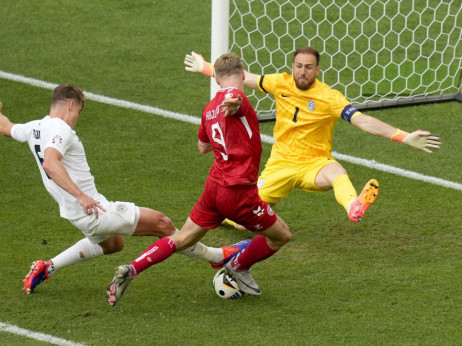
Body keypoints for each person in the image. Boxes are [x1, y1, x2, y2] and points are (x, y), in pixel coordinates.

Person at [0, 84, 250, 295]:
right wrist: (82, 196)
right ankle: (218, 256)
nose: (77, 118)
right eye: (78, 112)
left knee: (114, 244)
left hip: (74, 213)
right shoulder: (61, 129)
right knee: (162, 223)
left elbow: (7, 127)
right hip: (93, 209)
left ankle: (47, 267)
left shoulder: (35, 127)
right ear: (70, 105)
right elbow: (50, 162)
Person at [106, 53, 292, 306]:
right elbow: (234, 97)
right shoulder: (240, 101)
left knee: (182, 238)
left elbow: (202, 147)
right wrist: (234, 102)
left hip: (213, 189)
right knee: (281, 235)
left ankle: (132, 268)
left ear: (216, 79)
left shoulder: (208, 110)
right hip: (239, 192)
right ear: (243, 74)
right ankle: (238, 266)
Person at [184, 47, 442, 226]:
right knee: (243, 222)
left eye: (308, 67)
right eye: (298, 66)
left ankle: (354, 207)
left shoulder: (330, 98)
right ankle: (225, 216)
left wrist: (403, 136)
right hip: (280, 165)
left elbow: (363, 121)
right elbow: (242, 78)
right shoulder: (279, 83)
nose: (302, 72)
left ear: (317, 70)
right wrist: (205, 67)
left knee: (337, 171)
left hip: (314, 164)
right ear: (292, 67)